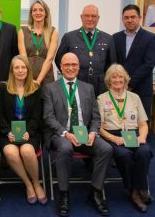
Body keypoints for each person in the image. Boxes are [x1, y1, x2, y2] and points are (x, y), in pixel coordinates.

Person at [43, 52, 113, 216]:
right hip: (60, 134)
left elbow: (96, 117)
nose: (70, 68)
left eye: (74, 64)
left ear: (78, 67)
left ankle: (95, 193)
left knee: (106, 149)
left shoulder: (88, 88)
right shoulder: (50, 88)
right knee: (66, 148)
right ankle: (64, 194)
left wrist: (93, 132)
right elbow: (48, 117)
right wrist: (65, 133)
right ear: (61, 67)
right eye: (66, 65)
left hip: (84, 133)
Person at [97, 64, 153, 213]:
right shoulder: (102, 99)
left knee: (144, 152)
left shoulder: (135, 97)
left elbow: (143, 123)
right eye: (114, 77)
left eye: (120, 76)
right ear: (109, 80)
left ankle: (137, 189)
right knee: (123, 154)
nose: (117, 79)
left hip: (133, 134)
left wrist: (142, 136)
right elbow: (99, 127)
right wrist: (113, 138)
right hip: (113, 135)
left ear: (125, 79)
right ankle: (137, 192)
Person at [0, 55, 47, 205]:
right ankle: (28, 184)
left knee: (27, 151)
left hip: (30, 132)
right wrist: (6, 131)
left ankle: (36, 183)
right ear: (11, 70)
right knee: (10, 152)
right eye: (17, 67)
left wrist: (28, 132)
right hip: (8, 133)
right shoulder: (3, 87)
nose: (20, 70)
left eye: (23, 67)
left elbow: (37, 115)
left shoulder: (35, 88)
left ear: (28, 69)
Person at [55, 5, 116, 96]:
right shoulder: (69, 37)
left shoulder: (107, 38)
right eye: (87, 16)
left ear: (98, 18)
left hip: (100, 86)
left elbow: (112, 64)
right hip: (76, 82)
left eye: (93, 16)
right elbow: (59, 59)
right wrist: (69, 75)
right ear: (81, 17)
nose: (90, 19)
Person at [113, 4, 155, 117]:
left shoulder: (150, 38)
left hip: (141, 88)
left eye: (133, 17)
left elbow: (149, 64)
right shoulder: (115, 38)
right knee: (120, 120)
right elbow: (113, 62)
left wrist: (129, 83)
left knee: (141, 122)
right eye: (126, 17)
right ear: (122, 19)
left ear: (140, 18)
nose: (129, 20)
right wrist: (119, 82)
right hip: (119, 87)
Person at [18, 0, 59, 94]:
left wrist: (38, 81)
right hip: (27, 76)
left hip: (46, 77)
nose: (38, 12)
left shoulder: (53, 32)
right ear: (31, 14)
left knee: (46, 105)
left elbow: (49, 59)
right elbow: (23, 57)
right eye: (34, 10)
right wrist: (29, 79)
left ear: (46, 13)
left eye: (41, 10)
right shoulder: (22, 31)